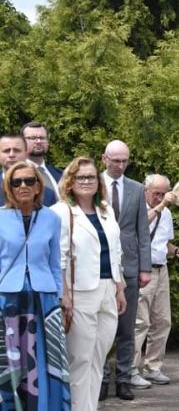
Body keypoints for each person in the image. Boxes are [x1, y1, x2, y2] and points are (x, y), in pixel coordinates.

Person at [51, 157, 127, 411]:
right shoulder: (61, 212)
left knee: (98, 357)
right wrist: (65, 295)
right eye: (80, 177)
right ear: (70, 181)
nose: (86, 181)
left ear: (98, 181)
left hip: (108, 290)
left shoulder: (106, 209)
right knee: (80, 359)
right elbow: (59, 257)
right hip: (79, 293)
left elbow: (115, 251)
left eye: (91, 177)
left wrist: (120, 287)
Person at [0, 161, 71, 409]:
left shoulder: (51, 218)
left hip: (44, 299)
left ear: (38, 186)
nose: (23, 186)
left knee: (43, 358)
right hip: (8, 298)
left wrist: (61, 298)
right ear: (8, 187)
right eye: (16, 182)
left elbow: (55, 262)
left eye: (29, 181)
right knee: (11, 361)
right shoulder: (0, 218)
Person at [100, 140, 151, 400]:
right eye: (115, 160)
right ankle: (101, 379)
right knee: (100, 328)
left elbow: (143, 231)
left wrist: (145, 268)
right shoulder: (92, 185)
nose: (120, 165)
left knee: (126, 328)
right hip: (100, 267)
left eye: (124, 161)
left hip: (130, 266)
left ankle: (123, 379)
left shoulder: (136, 188)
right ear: (104, 159)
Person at [133, 174, 179, 384]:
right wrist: (160, 206)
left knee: (163, 321)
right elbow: (137, 230)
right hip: (141, 271)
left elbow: (164, 244)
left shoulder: (165, 213)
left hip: (161, 269)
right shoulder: (138, 208)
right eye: (156, 193)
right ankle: (131, 370)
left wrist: (178, 251)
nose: (160, 197)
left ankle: (153, 367)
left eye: (164, 193)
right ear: (145, 191)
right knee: (139, 323)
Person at [0, 133, 58, 207]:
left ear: (26, 154)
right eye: (6, 151)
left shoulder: (47, 194)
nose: (11, 155)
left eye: (17, 150)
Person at [22, 121, 63, 197]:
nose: (38, 142)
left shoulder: (60, 174)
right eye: (33, 138)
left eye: (42, 138)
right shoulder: (12, 175)